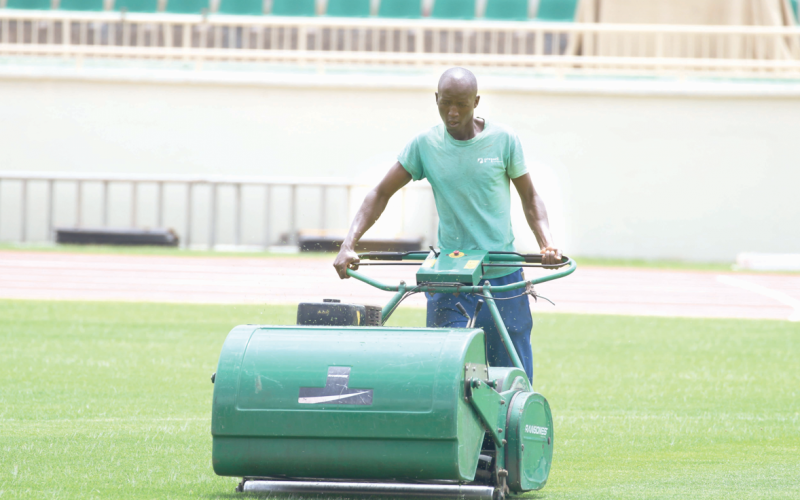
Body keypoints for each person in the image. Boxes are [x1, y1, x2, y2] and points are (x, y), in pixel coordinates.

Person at [333, 67, 561, 381]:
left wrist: (546, 244)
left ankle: (511, 428)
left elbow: (531, 198)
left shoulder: (503, 140)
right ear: (436, 99)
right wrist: (348, 245)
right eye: (446, 103)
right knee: (445, 369)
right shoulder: (425, 145)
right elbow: (380, 192)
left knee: (510, 371)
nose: (452, 112)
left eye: (462, 104)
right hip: (450, 276)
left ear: (477, 101)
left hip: (501, 274)